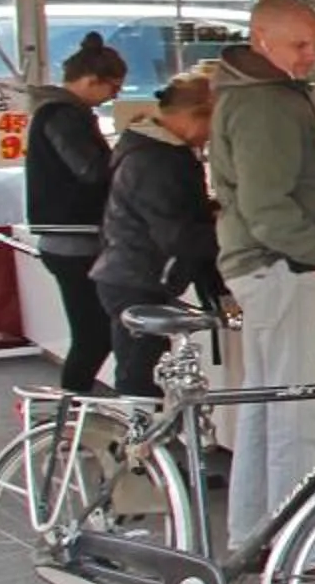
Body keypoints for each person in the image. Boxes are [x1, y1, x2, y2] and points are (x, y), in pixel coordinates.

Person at [208, 0, 315, 558]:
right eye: (299, 46)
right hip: (284, 272)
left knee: (264, 407)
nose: (310, 57)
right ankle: (307, 549)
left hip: (265, 270)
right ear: (261, 40)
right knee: (297, 413)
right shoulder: (266, 105)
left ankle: (253, 533)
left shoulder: (251, 96)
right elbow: (267, 206)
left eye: (314, 45)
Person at [92, 72, 224, 401]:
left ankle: (138, 441)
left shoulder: (153, 151)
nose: (213, 135)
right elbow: (177, 233)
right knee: (138, 375)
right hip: (137, 277)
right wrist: (234, 236)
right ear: (196, 115)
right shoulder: (156, 160)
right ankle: (131, 444)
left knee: (141, 369)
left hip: (130, 273)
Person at [28, 34, 128, 393]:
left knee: (92, 334)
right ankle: (71, 417)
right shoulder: (64, 115)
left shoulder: (58, 112)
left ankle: (73, 414)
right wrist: (127, 155)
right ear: (90, 81)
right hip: (74, 239)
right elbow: (90, 169)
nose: (114, 97)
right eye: (113, 89)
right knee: (94, 335)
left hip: (66, 237)